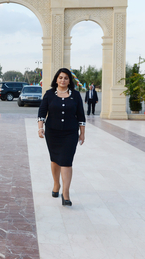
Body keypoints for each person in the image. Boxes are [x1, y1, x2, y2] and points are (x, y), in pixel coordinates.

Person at [38, 68, 86, 206]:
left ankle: (66, 194)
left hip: (70, 133)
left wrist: (82, 133)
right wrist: (40, 128)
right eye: (60, 77)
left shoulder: (76, 95)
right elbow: (42, 112)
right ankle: (56, 184)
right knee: (55, 160)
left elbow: (81, 116)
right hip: (52, 133)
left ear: (69, 80)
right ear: (56, 79)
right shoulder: (49, 94)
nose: (63, 80)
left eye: (66, 78)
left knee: (66, 161)